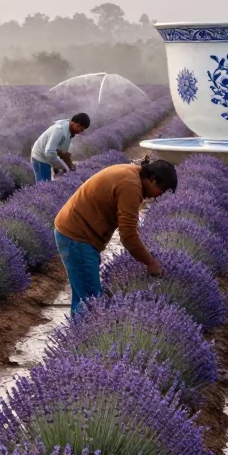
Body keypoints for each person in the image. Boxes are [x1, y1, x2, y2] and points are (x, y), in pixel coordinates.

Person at [52, 158, 177, 317]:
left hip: (76, 234)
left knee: (83, 297)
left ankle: (78, 340)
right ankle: (88, 340)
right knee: (93, 303)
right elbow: (128, 235)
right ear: (152, 180)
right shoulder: (131, 186)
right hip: (77, 238)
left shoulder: (133, 172)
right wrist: (150, 262)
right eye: (161, 190)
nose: (159, 196)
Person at [31, 113, 91, 182]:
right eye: (81, 129)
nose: (80, 132)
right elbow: (49, 152)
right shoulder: (59, 130)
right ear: (74, 123)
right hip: (40, 158)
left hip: (48, 156)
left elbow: (61, 152)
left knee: (51, 181)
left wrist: (69, 164)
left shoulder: (70, 131)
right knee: (43, 184)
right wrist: (62, 167)